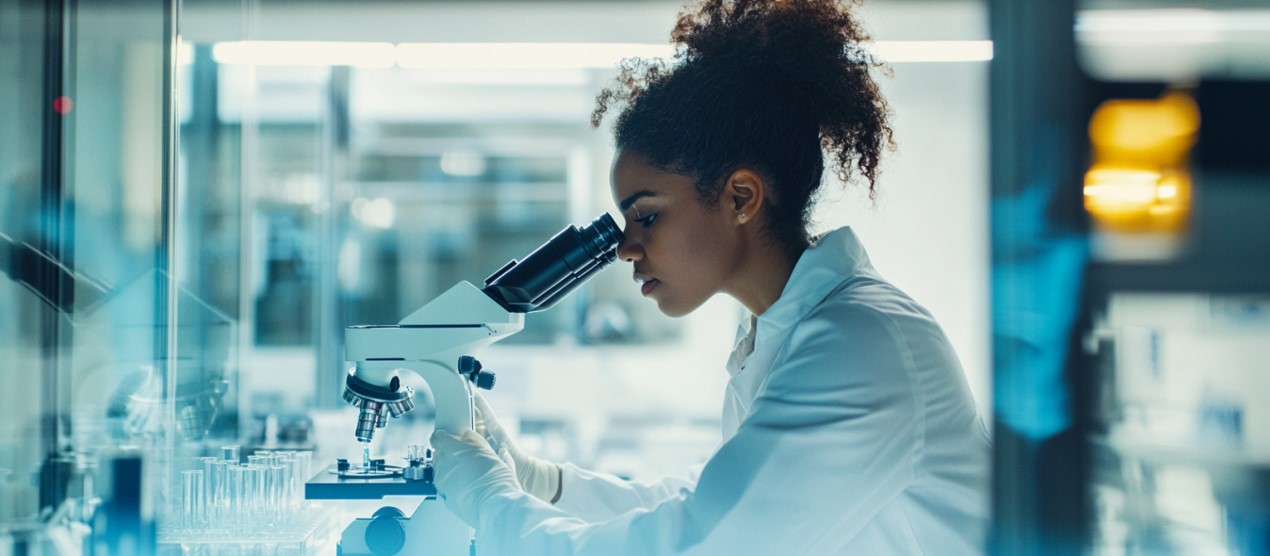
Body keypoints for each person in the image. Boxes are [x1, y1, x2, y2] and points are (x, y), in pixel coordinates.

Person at [428, 0, 991, 553]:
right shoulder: (782, 335)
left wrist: (491, 502)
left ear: (740, 197)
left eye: (646, 215)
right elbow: (707, 502)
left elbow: (699, 544)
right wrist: (539, 483)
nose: (625, 248)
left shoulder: (858, 345)